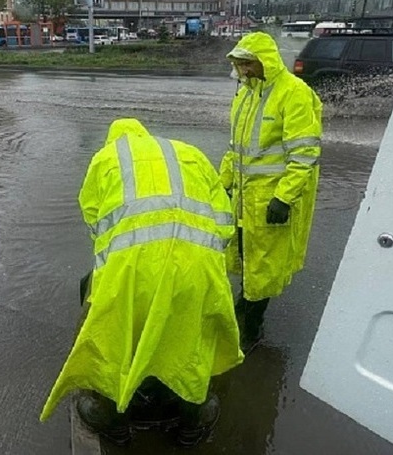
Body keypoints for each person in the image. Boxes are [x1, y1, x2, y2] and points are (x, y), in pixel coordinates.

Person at [40, 118, 243, 447]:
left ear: (114, 140)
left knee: (117, 337)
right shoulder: (189, 153)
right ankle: (192, 422)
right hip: (197, 264)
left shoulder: (107, 158)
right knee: (191, 337)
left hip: (133, 268)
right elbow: (224, 218)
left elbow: (96, 221)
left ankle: (114, 421)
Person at [220, 32, 322, 353]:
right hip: (244, 199)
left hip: (270, 200)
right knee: (245, 254)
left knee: (263, 264)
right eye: (239, 64)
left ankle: (253, 328)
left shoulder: (294, 94)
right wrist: (222, 185)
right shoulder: (246, 95)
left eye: (248, 63)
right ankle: (246, 302)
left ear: (266, 60)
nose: (243, 70)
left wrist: (284, 197)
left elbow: (304, 153)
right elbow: (235, 149)